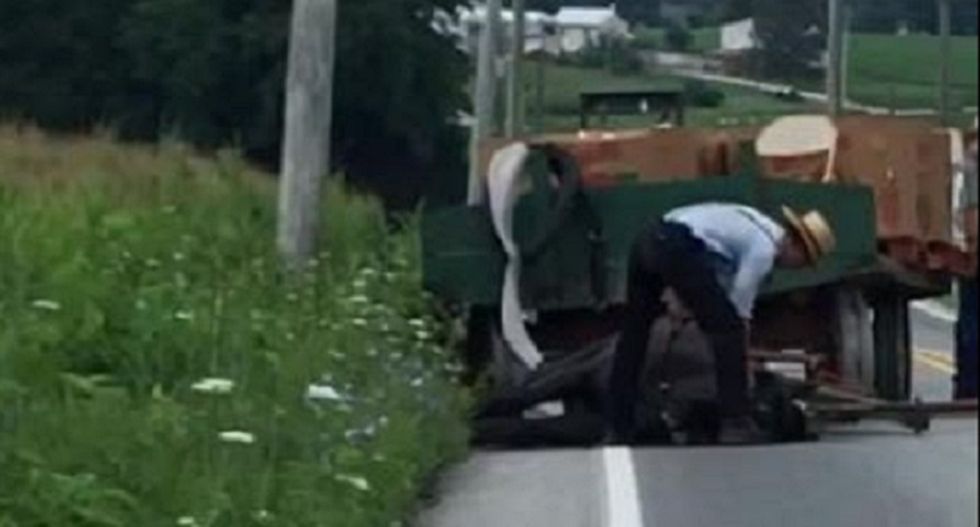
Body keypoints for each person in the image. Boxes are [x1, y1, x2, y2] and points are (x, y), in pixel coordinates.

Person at [608, 203, 836, 444]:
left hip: (650, 239)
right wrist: (743, 365)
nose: (796, 268)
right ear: (795, 245)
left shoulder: (753, 223)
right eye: (802, 262)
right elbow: (739, 314)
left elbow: (706, 281)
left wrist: (681, 299)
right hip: (677, 244)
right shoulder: (763, 250)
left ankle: (618, 426)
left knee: (634, 337)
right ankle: (736, 422)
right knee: (728, 330)